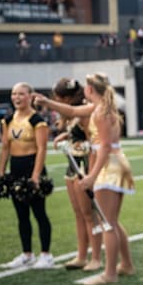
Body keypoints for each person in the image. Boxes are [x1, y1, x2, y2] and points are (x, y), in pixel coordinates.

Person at [34, 73, 135, 285]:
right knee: (112, 220)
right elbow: (70, 110)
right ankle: (126, 265)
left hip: (107, 165)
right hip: (112, 162)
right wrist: (46, 102)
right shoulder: (99, 108)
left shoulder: (101, 113)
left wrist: (92, 176)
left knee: (107, 223)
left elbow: (105, 147)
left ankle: (109, 273)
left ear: (90, 90)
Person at [0, 83, 53, 269]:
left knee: (39, 213)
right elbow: (5, 147)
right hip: (15, 169)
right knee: (21, 214)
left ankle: (46, 254)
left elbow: (42, 148)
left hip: (32, 167)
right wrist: (1, 172)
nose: (17, 97)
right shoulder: (7, 120)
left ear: (30, 96)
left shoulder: (37, 120)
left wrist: (36, 175)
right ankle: (27, 253)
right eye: (14, 94)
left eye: (21, 94)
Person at [50, 78, 102, 272]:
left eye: (58, 98)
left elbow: (94, 139)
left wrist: (91, 173)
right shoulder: (71, 113)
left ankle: (96, 257)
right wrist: (67, 136)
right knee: (79, 214)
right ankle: (81, 255)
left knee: (90, 214)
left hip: (84, 165)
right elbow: (77, 132)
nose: (56, 102)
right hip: (72, 163)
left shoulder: (84, 111)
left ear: (68, 98)